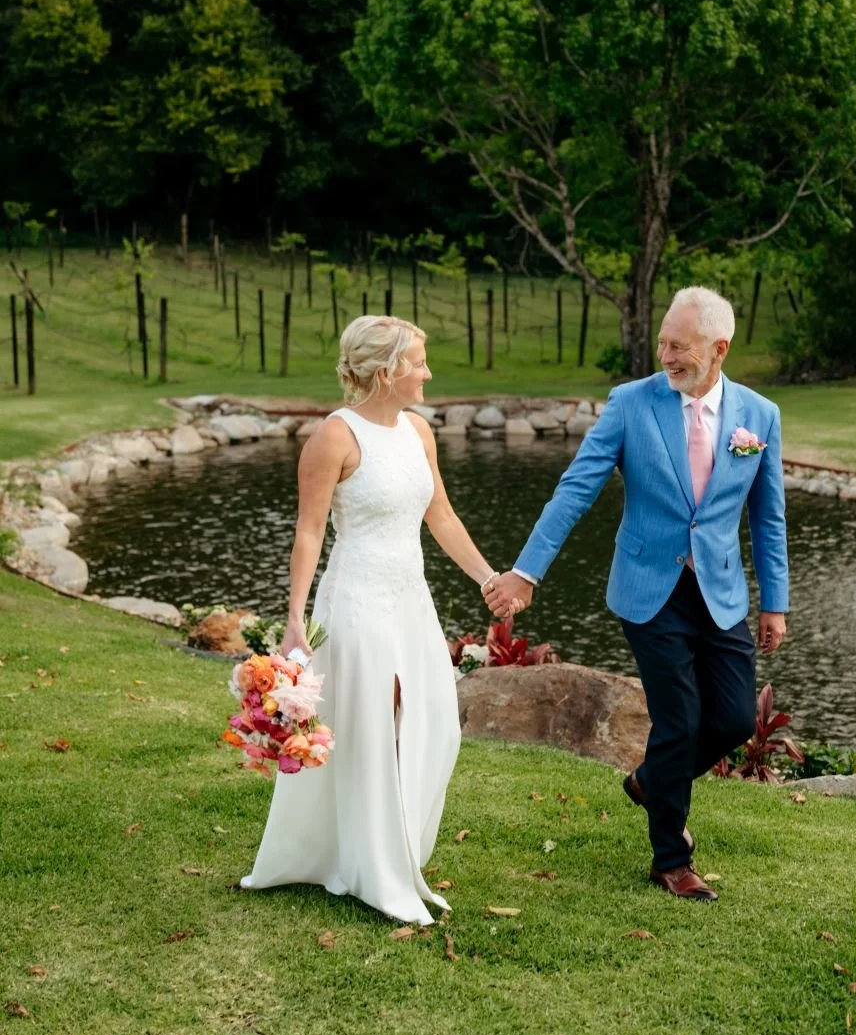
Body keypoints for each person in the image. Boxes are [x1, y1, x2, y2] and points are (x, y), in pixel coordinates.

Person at [485, 286, 789, 901]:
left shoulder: (760, 416)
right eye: (663, 342)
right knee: (679, 718)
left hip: (721, 591)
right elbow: (575, 490)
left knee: (730, 720)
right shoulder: (631, 404)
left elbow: (769, 517)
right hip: (649, 588)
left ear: (719, 349)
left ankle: (653, 779)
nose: (666, 354)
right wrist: (526, 572)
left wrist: (775, 602)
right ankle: (670, 860)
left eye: (680, 345)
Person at [240, 316, 505, 925]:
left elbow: (441, 516)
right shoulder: (334, 437)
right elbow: (308, 533)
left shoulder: (419, 432)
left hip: (410, 598)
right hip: (356, 599)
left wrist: (488, 578)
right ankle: (372, 869)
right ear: (386, 371)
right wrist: (295, 621)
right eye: (419, 361)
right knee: (372, 726)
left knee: (434, 722)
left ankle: (391, 848)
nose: (428, 372)